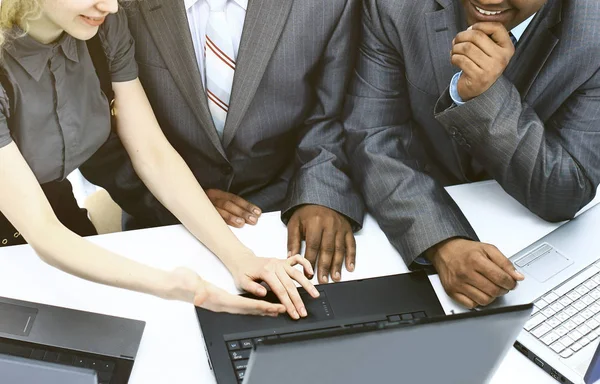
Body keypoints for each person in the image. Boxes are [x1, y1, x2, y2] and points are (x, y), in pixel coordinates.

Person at [0, 0, 319, 319]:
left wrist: (241, 258)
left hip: (49, 198)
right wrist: (178, 286)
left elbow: (152, 152)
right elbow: (43, 232)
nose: (111, 6)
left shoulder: (104, 28)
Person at [79, 0, 364, 285]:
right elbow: (97, 139)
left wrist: (320, 192)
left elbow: (332, 112)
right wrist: (174, 202)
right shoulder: (113, 7)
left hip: (284, 209)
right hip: (163, 225)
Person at [344, 0, 600, 308]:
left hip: (532, 250)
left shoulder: (593, 31)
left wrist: (488, 94)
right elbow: (374, 136)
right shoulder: (396, 6)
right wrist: (442, 243)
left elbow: (566, 190)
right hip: (400, 231)